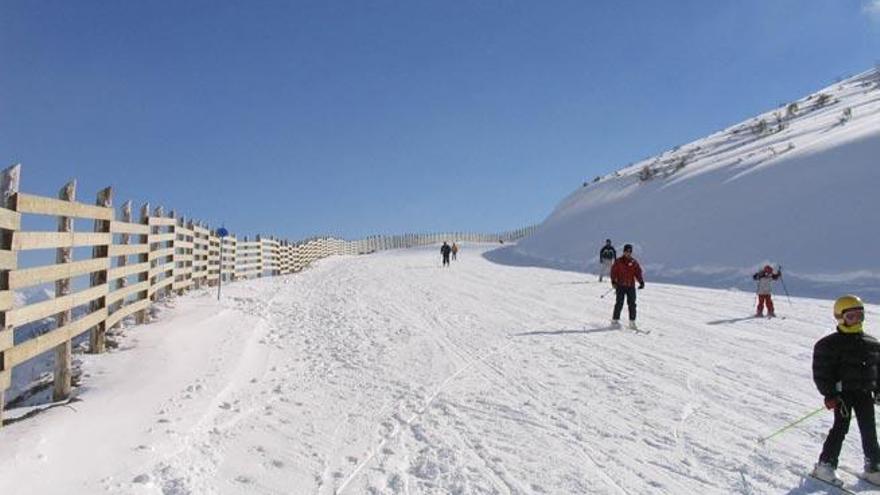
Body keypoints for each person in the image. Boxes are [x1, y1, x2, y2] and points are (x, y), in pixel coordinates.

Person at [811, 295, 880, 486]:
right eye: (851, 317)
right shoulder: (828, 345)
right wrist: (829, 394)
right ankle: (825, 465)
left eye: (860, 316)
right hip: (842, 395)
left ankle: (874, 466)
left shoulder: (872, 343)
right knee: (841, 428)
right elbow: (822, 372)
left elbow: (877, 369)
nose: (856, 320)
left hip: (864, 393)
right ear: (840, 318)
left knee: (869, 429)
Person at [609, 244, 644, 329]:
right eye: (626, 251)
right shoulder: (618, 261)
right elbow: (613, 272)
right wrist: (613, 281)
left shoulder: (634, 262)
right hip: (620, 285)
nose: (628, 253)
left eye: (629, 252)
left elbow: (638, 273)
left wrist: (641, 282)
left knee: (632, 304)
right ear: (624, 252)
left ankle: (632, 322)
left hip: (630, 286)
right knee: (619, 303)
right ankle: (615, 320)